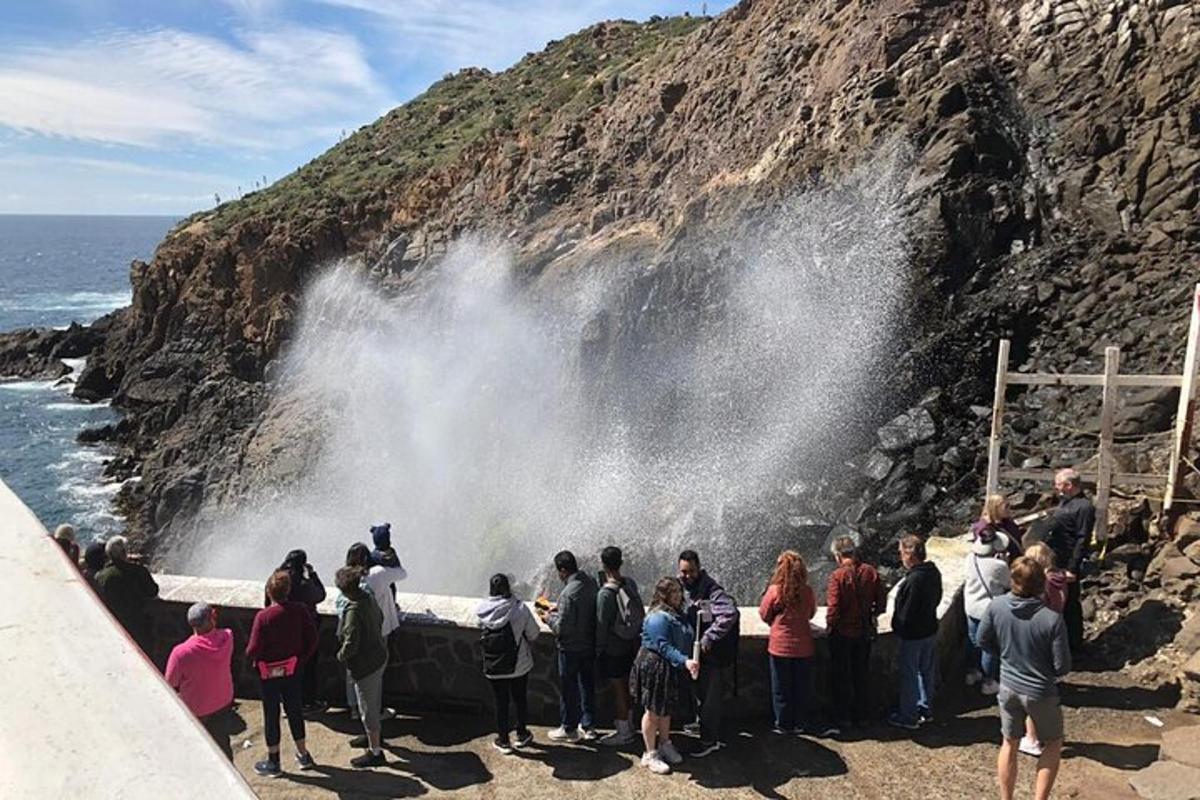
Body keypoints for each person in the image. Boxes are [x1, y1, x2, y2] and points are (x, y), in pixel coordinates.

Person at [978, 557, 1070, 800]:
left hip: (1008, 685)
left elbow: (981, 640)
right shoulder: (1051, 619)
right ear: (1041, 584)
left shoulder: (996, 606)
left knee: (1009, 742)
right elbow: (1062, 667)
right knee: (1052, 743)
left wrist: (1005, 656)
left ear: (1013, 580)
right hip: (1040, 690)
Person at [246, 570, 318, 777]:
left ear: (269, 591)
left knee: (271, 714)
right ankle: (303, 755)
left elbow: (252, 649)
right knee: (294, 709)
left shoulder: (264, 616)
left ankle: (274, 761)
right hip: (293, 670)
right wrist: (300, 659)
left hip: (268, 674)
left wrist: (254, 660)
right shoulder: (300, 610)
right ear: (288, 590)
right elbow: (312, 639)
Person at [629, 577, 700, 775]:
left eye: (679, 591)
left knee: (665, 707)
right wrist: (685, 661)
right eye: (673, 592)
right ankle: (650, 753)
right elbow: (663, 646)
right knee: (652, 710)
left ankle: (665, 743)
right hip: (654, 665)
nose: (678, 596)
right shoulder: (657, 617)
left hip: (670, 665)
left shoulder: (677, 614)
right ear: (663, 595)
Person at [678, 549, 740, 757]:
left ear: (699, 569)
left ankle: (709, 741)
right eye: (683, 572)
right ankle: (701, 728)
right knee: (698, 695)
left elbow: (729, 613)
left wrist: (709, 637)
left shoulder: (712, 590)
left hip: (710, 656)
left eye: (691, 571)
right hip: (695, 655)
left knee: (709, 698)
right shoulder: (686, 587)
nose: (687, 576)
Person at [825, 536, 887, 731]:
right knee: (861, 674)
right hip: (864, 632)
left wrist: (830, 626)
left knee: (841, 676)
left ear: (837, 555)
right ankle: (862, 716)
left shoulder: (838, 576)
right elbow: (882, 602)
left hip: (843, 633)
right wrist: (872, 614)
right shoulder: (870, 572)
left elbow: (833, 608)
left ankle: (842, 717)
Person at [537, 550, 598, 743]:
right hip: (589, 644)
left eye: (559, 572)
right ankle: (588, 726)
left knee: (568, 688)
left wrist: (548, 618)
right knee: (587, 685)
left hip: (570, 648)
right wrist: (559, 609)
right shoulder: (590, 582)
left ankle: (568, 727)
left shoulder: (567, 594)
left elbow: (562, 628)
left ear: (563, 571)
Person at [341, 542, 407, 719]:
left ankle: (354, 708)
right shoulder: (377, 574)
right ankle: (373, 712)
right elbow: (402, 573)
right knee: (374, 672)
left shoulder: (345, 577)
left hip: (351, 627)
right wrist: (387, 552)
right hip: (376, 629)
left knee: (353, 669)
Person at [476, 573, 540, 754]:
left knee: (500, 702)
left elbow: (479, 629)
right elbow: (534, 634)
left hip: (494, 664)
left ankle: (503, 740)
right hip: (518, 664)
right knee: (520, 699)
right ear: (508, 588)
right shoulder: (520, 609)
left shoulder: (483, 610)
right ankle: (521, 734)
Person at [165, 602, 236, 760]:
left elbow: (169, 683)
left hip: (196, 709)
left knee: (197, 750)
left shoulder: (181, 653)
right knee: (222, 744)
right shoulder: (227, 637)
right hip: (222, 701)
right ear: (212, 619)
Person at [1018, 542, 1069, 758]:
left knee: (1032, 694)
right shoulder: (1059, 580)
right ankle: (1042, 733)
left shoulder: (1043, 585)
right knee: (1042, 690)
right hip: (1051, 635)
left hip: (1037, 639)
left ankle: (1031, 738)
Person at [335, 566, 389, 768]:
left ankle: (375, 751)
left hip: (365, 665)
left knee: (368, 709)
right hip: (379, 656)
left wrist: (340, 655)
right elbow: (381, 618)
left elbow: (350, 644)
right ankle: (371, 737)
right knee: (374, 702)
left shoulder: (353, 610)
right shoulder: (368, 597)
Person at [758, 550, 816, 734]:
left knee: (781, 688)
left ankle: (783, 724)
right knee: (801, 687)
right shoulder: (807, 591)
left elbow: (764, 613)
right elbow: (811, 613)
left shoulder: (775, 591)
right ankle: (800, 723)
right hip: (804, 647)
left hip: (780, 647)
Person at [888, 534, 942, 730]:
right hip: (929, 630)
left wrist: (899, 628)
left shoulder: (914, 579)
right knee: (926, 671)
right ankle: (925, 708)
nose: (901, 557)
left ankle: (908, 716)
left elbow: (907, 613)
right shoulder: (933, 572)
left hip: (913, 635)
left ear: (910, 555)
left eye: (902, 552)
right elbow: (937, 598)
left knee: (909, 674)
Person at [595, 546, 645, 746]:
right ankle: (629, 724)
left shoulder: (605, 594)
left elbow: (601, 625)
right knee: (627, 686)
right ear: (621, 563)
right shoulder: (629, 583)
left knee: (619, 688)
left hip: (614, 649)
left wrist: (598, 651)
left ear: (603, 565)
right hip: (631, 644)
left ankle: (623, 732)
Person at [1044, 468, 1094, 651]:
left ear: (1069, 485)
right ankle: (1060, 641)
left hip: (1068, 561)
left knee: (1070, 601)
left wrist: (1073, 568)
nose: (1056, 488)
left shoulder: (1084, 507)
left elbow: (1083, 539)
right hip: (1056, 557)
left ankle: (1073, 643)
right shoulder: (1065, 502)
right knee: (1055, 599)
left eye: (1058, 484)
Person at [271, 549, 327, 713]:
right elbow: (320, 595)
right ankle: (308, 703)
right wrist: (313, 574)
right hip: (305, 632)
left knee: (286, 667)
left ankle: (287, 702)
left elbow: (268, 602)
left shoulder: (276, 581)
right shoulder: (304, 584)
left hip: (283, 632)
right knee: (307, 667)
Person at [964, 527, 1012, 696]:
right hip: (988, 610)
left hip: (970, 606)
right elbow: (1009, 584)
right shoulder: (998, 566)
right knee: (988, 647)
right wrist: (1005, 562)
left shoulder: (970, 559)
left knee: (973, 641)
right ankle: (988, 681)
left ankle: (972, 672)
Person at [94, 535, 160, 653]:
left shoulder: (100, 576)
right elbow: (153, 591)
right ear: (124, 553)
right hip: (137, 627)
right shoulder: (138, 571)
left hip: (112, 627)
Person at [972, 494, 1023, 561]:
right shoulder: (984, 527)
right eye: (1006, 506)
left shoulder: (1007, 521)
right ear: (995, 508)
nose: (1009, 509)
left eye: (1009, 505)